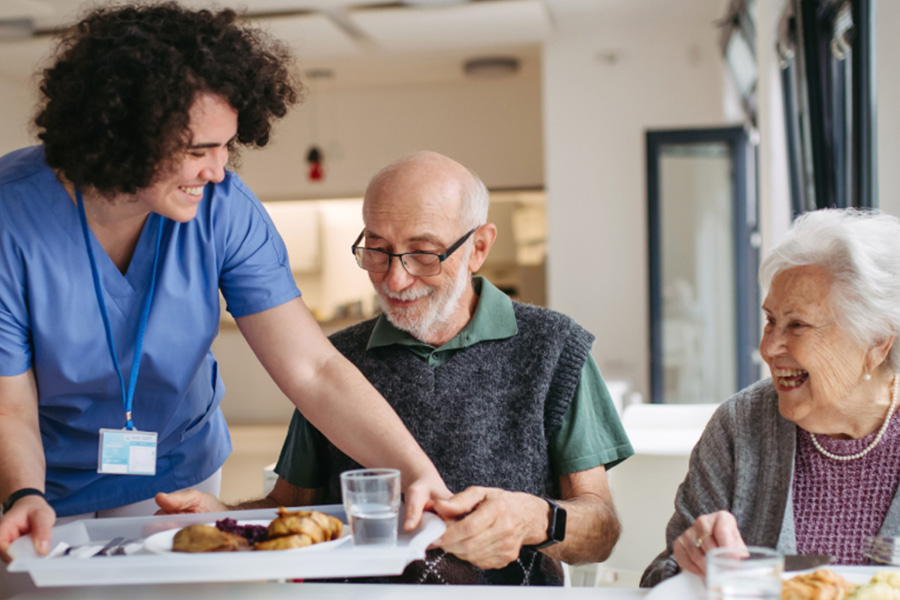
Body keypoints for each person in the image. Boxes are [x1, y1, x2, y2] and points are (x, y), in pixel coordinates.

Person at [0, 2, 449, 567]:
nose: (217, 170)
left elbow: (314, 369)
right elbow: (8, 410)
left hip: (171, 472)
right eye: (197, 151)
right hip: (40, 472)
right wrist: (24, 493)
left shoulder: (222, 208)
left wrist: (419, 474)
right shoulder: (11, 220)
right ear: (121, 137)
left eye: (225, 146)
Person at [156, 150, 635, 585]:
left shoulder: (554, 348)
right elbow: (292, 507)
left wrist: (535, 519)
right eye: (378, 250)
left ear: (479, 248)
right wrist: (219, 516)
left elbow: (601, 531)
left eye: (424, 253)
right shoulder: (336, 363)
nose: (396, 278)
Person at [641, 208, 900, 586]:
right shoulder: (741, 425)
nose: (768, 347)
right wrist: (691, 559)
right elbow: (658, 582)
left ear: (876, 343)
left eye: (797, 324)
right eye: (770, 320)